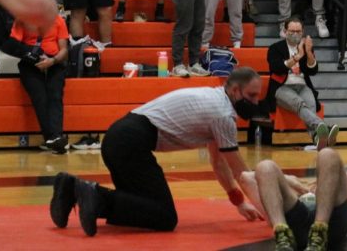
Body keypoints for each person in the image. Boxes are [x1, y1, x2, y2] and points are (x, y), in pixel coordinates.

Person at [48, 67, 265, 237]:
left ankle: (72, 190)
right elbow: (242, 174)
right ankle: (93, 195)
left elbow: (219, 163)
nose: (255, 102)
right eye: (252, 95)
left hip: (119, 136)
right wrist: (273, 216)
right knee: (164, 216)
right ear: (235, 90)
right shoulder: (223, 114)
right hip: (130, 142)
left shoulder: (217, 100)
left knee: (138, 204)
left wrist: (239, 201)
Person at [241, 148, 347, 251]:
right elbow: (246, 178)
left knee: (328, 155)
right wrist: (291, 181)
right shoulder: (276, 205)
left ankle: (319, 230)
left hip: (331, 228)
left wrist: (328, 178)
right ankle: (282, 235)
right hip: (294, 228)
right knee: (264, 166)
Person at [266, 16, 339, 147]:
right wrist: (298, 56)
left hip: (302, 85)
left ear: (303, 32)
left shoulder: (306, 47)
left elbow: (313, 71)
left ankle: (317, 138)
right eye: (292, 31)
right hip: (281, 87)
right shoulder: (275, 48)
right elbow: (277, 68)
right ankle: (322, 126)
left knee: (310, 104)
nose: (295, 34)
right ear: (285, 31)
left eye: (298, 31)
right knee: (299, 103)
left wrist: (309, 52)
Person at [9, 13, 69, 154]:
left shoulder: (58, 20)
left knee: (55, 95)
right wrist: (30, 54)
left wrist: (52, 61)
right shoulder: (23, 19)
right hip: (30, 63)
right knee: (40, 97)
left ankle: (55, 138)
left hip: (54, 62)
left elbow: (64, 50)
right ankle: (53, 138)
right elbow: (14, 45)